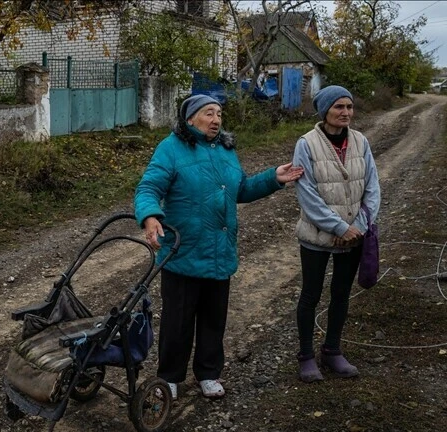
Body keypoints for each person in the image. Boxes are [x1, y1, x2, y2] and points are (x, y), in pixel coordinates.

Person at [134, 94, 304, 399]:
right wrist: (149, 216)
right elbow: (149, 187)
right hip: (183, 251)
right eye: (208, 113)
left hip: (219, 251)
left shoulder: (226, 150)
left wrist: (273, 178)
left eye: (219, 113)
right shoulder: (171, 148)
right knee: (178, 321)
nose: (216, 119)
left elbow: (240, 189)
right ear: (190, 120)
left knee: (214, 319)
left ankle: (209, 373)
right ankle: (170, 377)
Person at [291, 85, 381, 383]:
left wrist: (360, 225)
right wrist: (339, 227)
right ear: (325, 110)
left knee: (341, 294)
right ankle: (306, 356)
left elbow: (372, 187)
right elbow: (307, 194)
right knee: (310, 295)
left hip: (354, 235)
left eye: (349, 107)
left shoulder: (361, 142)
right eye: (339, 107)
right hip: (317, 236)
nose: (346, 113)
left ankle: (332, 350)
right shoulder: (306, 144)